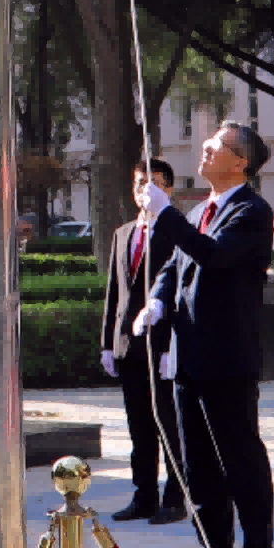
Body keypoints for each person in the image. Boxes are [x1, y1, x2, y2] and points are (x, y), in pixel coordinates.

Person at [132, 122, 274, 548]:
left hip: (227, 356)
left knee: (240, 460)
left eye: (217, 145)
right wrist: (157, 300)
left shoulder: (251, 211)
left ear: (241, 162)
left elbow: (213, 256)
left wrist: (166, 213)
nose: (206, 149)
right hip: (189, 354)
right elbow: (175, 266)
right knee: (197, 465)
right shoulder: (200, 211)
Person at [99, 157, 186, 523]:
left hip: (162, 345)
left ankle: (175, 498)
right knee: (139, 428)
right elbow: (114, 293)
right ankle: (143, 496)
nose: (145, 190)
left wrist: (172, 348)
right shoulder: (123, 233)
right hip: (128, 346)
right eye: (140, 183)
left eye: (155, 183)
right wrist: (108, 343)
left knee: (169, 426)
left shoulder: (177, 231)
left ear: (169, 190)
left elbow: (180, 293)